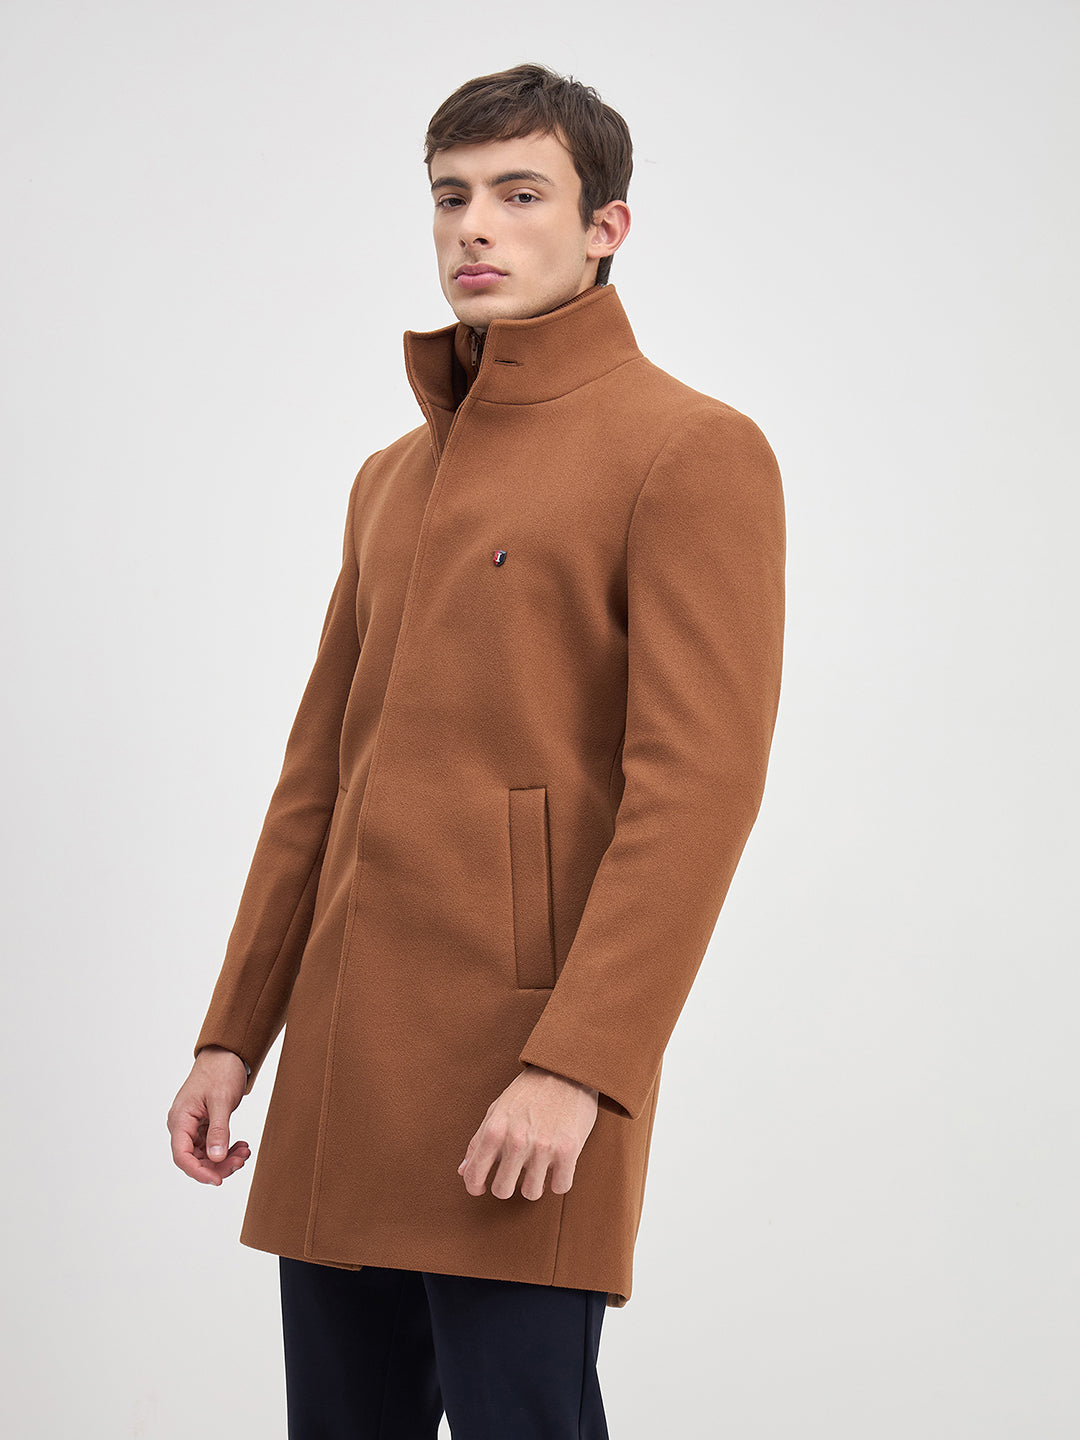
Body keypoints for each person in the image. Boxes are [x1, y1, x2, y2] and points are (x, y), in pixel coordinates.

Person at [168, 62, 786, 1439]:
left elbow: (699, 791)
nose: (475, 229)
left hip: (523, 1078)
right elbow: (316, 779)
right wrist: (233, 1034)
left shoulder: (691, 451)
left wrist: (581, 1068)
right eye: (451, 198)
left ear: (605, 227)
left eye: (519, 195)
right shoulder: (390, 479)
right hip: (341, 1076)